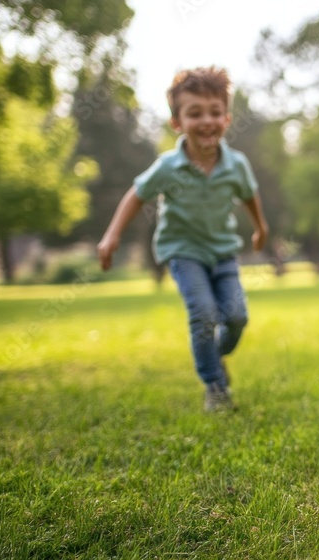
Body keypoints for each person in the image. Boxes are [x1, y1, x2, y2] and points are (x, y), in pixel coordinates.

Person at [97, 67, 269, 412]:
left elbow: (249, 195)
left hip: (223, 252)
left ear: (227, 117)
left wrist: (260, 228)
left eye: (215, 112)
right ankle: (215, 387)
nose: (207, 120)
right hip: (183, 252)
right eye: (195, 113)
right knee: (203, 314)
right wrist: (111, 236)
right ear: (177, 123)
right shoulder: (167, 166)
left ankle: (213, 356)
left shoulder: (236, 164)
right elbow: (136, 195)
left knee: (236, 318)